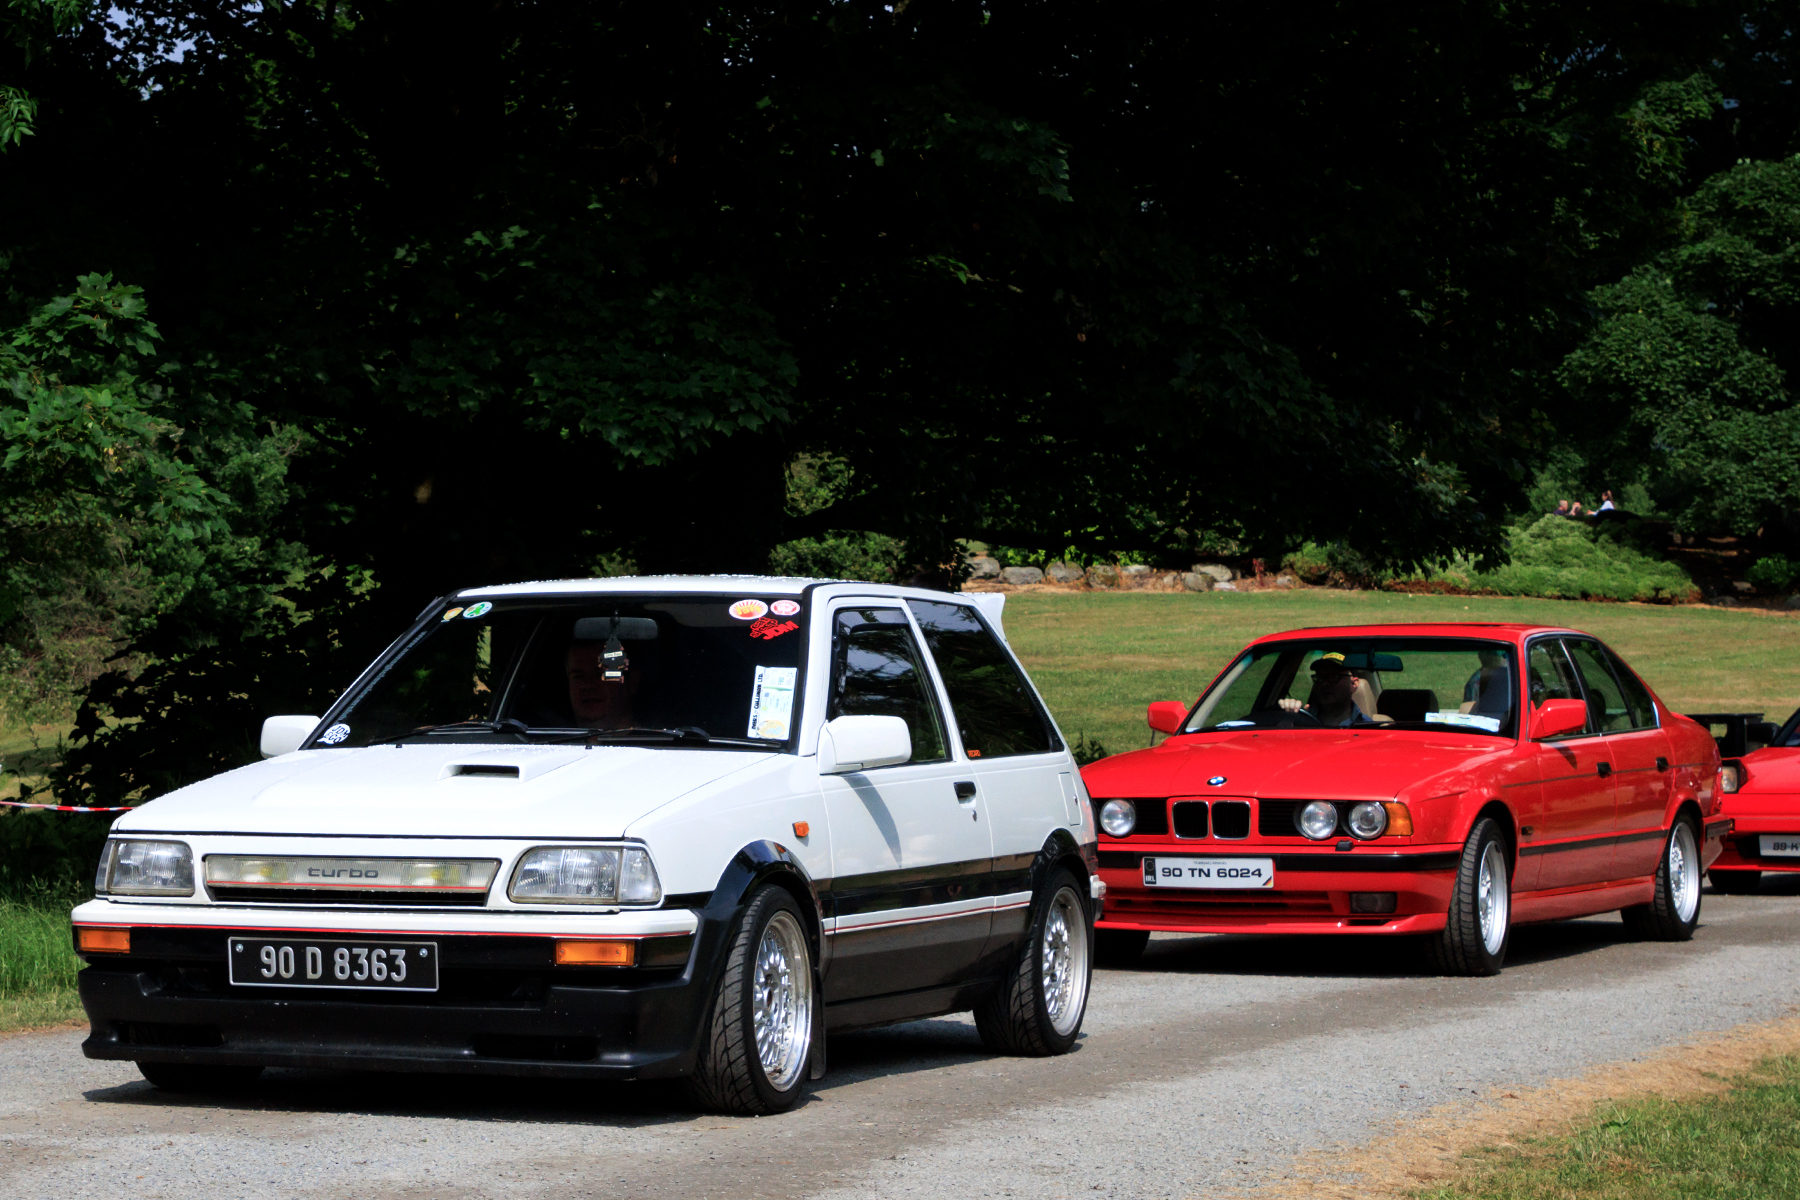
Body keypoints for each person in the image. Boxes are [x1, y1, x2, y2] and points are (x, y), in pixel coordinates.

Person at [1278, 652, 1377, 727]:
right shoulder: (1300, 719)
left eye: (1334, 677)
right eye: (1320, 677)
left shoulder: (1367, 727)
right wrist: (1287, 718)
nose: (1325, 683)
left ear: (1353, 684)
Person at [565, 641, 643, 729]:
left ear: (632, 681)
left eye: (599, 674)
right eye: (578, 677)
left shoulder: (654, 741)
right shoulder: (550, 740)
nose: (587, 685)